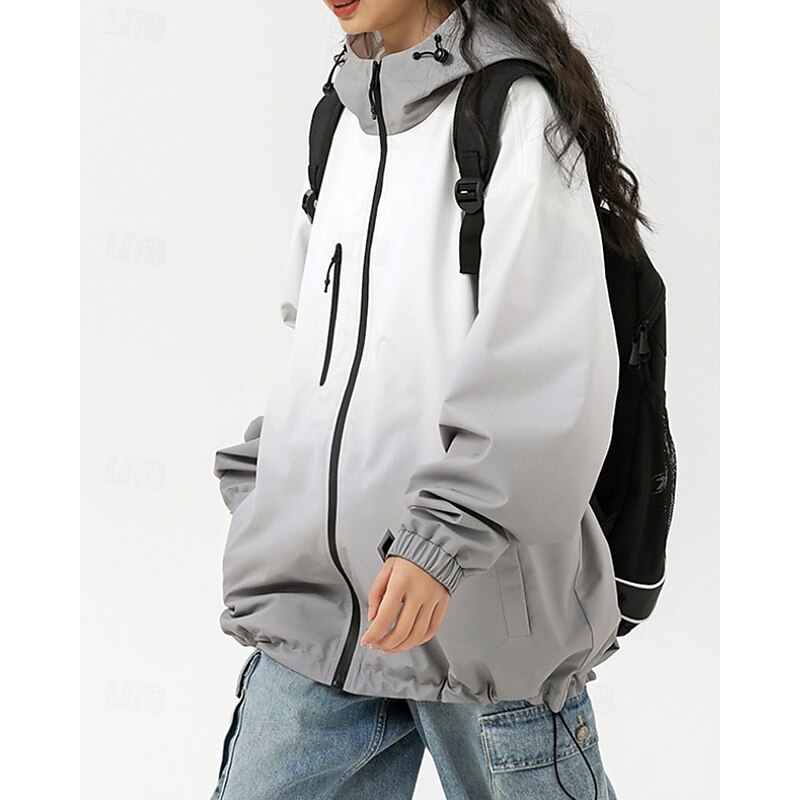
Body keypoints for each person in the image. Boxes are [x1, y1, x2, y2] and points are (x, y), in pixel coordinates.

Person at [210, 1, 651, 797]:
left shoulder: (512, 111)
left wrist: (441, 541)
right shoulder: (341, 116)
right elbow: (321, 351)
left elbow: (551, 367)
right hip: (321, 615)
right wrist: (271, 487)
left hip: (481, 630)